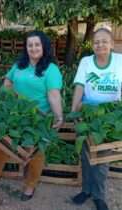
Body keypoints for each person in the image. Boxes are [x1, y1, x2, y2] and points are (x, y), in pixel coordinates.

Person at [0, 30, 63, 201]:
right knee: (1, 141)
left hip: (37, 117)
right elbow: (8, 82)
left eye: (37, 44)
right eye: (30, 45)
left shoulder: (51, 69)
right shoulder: (20, 65)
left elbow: (54, 95)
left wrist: (58, 116)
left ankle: (30, 184)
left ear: (44, 47)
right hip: (15, 113)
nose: (33, 48)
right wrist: (2, 100)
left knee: (35, 151)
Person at [71, 28, 122, 210]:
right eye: (96, 42)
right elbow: (79, 86)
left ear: (112, 44)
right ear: (92, 45)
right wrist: (74, 112)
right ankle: (86, 190)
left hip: (110, 116)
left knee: (102, 158)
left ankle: (99, 195)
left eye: (104, 41)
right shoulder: (86, 62)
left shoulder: (119, 61)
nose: (100, 45)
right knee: (86, 155)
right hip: (88, 114)